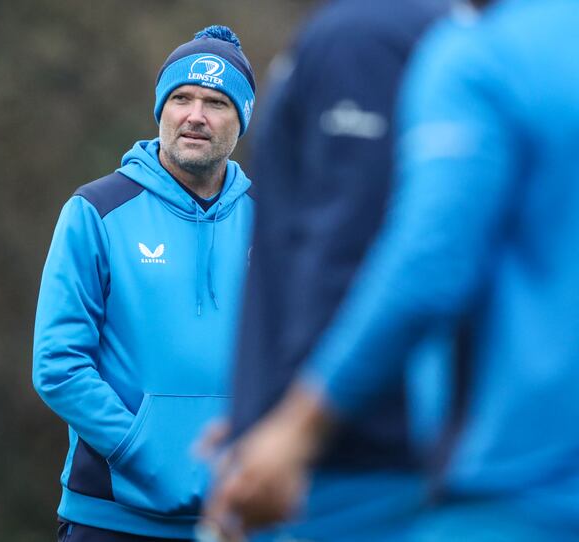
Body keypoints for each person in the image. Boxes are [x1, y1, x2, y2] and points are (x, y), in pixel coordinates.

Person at [204, 0, 579, 539]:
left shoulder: (430, 47)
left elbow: (416, 260)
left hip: (466, 483)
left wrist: (295, 425)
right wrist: (262, 403)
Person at [205, 0, 446, 540]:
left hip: (349, 463)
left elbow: (344, 250)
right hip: (365, 445)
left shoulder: (362, 36)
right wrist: (257, 404)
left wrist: (290, 422)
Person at [32, 25, 256, 542]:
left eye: (216, 102)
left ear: (240, 120)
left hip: (234, 519)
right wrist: (142, 448)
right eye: (182, 98)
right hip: (110, 517)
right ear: (161, 110)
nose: (195, 115)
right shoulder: (96, 211)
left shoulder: (270, 223)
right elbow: (58, 364)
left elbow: (292, 358)